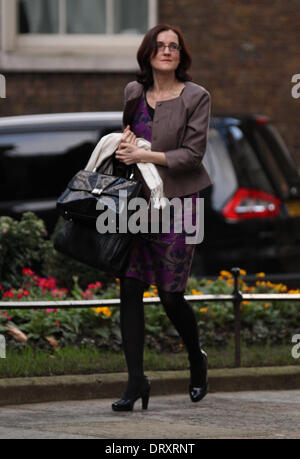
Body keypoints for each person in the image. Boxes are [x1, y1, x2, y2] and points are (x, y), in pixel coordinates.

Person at [112, 24, 212, 412]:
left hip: (180, 202)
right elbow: (129, 134)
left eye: (173, 46)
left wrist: (146, 155)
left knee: (170, 295)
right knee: (130, 288)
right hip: (137, 202)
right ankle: (136, 380)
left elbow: (192, 155)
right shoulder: (134, 92)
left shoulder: (196, 96)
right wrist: (125, 148)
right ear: (148, 54)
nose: (167, 51)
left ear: (181, 55)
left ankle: (196, 359)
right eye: (160, 46)